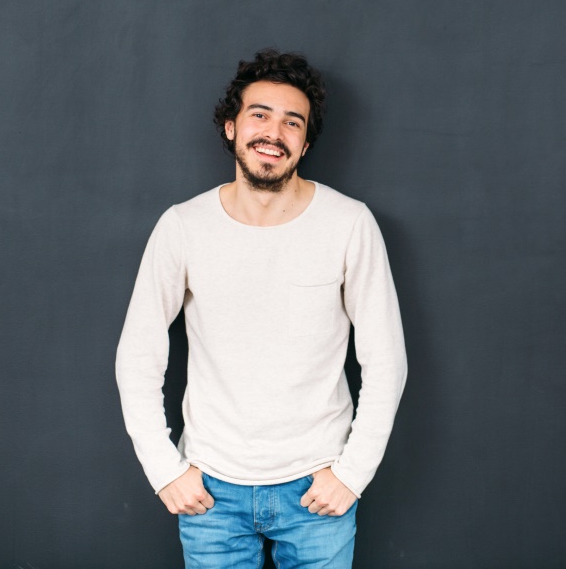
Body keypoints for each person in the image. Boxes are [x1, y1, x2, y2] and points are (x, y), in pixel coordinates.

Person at [116, 49, 408, 569]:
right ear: (231, 127)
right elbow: (138, 356)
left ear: (306, 141)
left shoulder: (349, 223)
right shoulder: (183, 226)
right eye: (259, 115)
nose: (274, 133)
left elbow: (385, 360)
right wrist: (165, 469)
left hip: (317, 487)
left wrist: (351, 474)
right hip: (211, 490)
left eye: (292, 122)